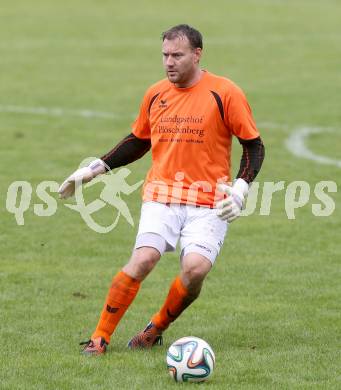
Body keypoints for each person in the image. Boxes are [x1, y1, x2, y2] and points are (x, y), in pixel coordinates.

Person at [59, 24, 265, 355]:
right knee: (143, 259)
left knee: (195, 270)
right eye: (165, 55)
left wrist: (240, 189)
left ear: (197, 55)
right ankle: (99, 337)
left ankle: (156, 327)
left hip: (209, 201)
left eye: (177, 55)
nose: (169, 62)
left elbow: (254, 146)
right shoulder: (156, 93)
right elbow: (138, 141)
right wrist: (93, 170)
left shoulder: (225, 92)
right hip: (162, 194)